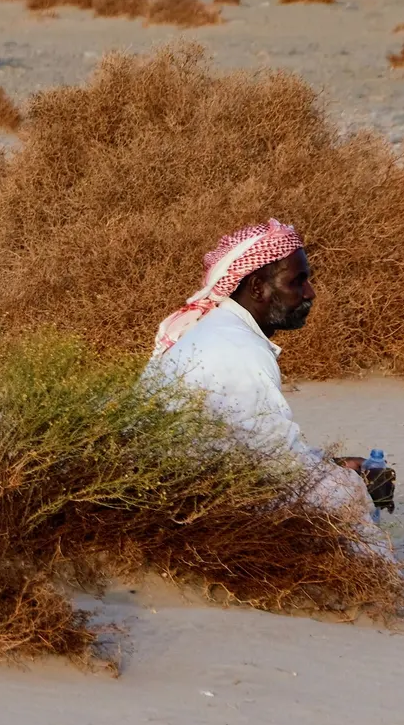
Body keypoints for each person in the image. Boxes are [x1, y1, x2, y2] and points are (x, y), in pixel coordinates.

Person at [144, 219, 374, 517]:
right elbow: (277, 463)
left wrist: (331, 463)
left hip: (184, 484)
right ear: (257, 288)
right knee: (350, 498)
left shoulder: (218, 328)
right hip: (187, 503)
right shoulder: (239, 350)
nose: (310, 293)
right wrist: (351, 481)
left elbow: (259, 442)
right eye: (297, 281)